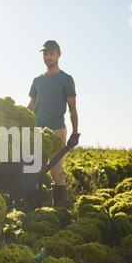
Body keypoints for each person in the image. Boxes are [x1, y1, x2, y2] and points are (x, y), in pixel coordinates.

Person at [27, 40, 80, 207]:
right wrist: (21, 121)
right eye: (45, 54)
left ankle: (59, 210)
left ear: (58, 54)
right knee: (32, 171)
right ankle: (35, 208)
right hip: (37, 132)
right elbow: (31, 106)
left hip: (57, 131)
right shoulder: (37, 81)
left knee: (56, 172)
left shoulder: (66, 79)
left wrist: (75, 132)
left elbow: (72, 108)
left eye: (51, 53)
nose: (48, 57)